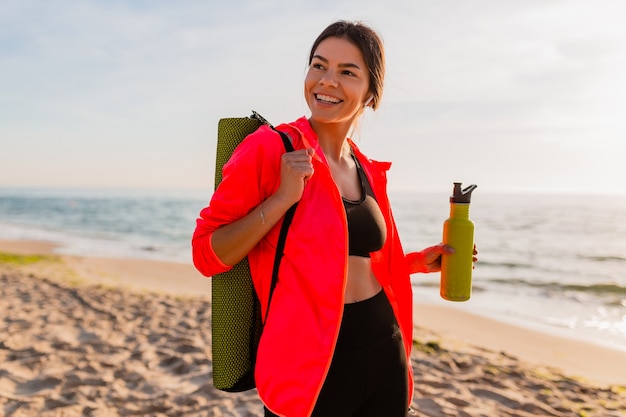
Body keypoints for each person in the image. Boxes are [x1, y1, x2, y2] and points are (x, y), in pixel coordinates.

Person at [193, 20, 477, 417]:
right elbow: (207, 254)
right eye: (319, 65)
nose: (327, 81)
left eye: (347, 72)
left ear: (371, 93)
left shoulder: (365, 166)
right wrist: (281, 200)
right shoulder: (270, 149)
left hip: (385, 345)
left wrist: (416, 262)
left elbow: (347, 258)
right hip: (309, 366)